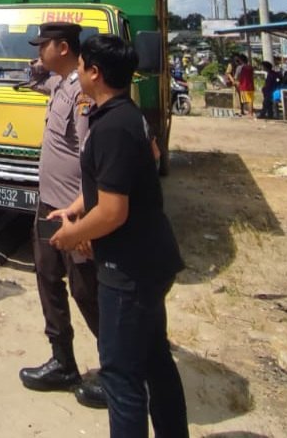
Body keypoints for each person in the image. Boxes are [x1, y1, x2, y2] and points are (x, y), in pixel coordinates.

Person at [51, 34, 188, 437]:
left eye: (81, 67)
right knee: (154, 361)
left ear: (95, 72)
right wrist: (78, 206)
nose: (77, 73)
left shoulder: (112, 126)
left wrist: (71, 234)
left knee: (122, 376)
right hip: (150, 259)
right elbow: (117, 178)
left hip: (128, 268)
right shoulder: (130, 115)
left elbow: (113, 211)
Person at [18, 22, 106, 408]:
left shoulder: (81, 94)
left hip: (74, 209)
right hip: (48, 204)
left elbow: (92, 158)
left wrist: (84, 216)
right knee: (48, 277)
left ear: (65, 48)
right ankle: (63, 361)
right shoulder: (61, 83)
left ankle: (118, 369)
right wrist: (39, 63)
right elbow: (33, 77)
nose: (39, 52)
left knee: (87, 289)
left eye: (44, 46)